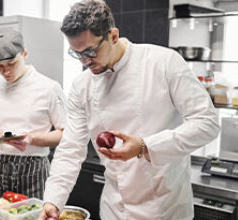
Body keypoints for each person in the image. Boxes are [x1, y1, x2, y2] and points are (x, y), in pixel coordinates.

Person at [40, 0, 220, 219]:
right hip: (114, 208)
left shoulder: (163, 62)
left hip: (164, 207)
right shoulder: (82, 86)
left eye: (90, 51)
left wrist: (145, 146)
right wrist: (53, 201)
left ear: (113, 36)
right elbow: (70, 149)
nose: (85, 62)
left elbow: (207, 123)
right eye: (77, 53)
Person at [0, 30, 66, 199]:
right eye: (0, 66)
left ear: (25, 53)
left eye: (12, 64)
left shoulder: (49, 88)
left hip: (34, 171)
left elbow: (65, 133)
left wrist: (32, 139)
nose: (6, 71)